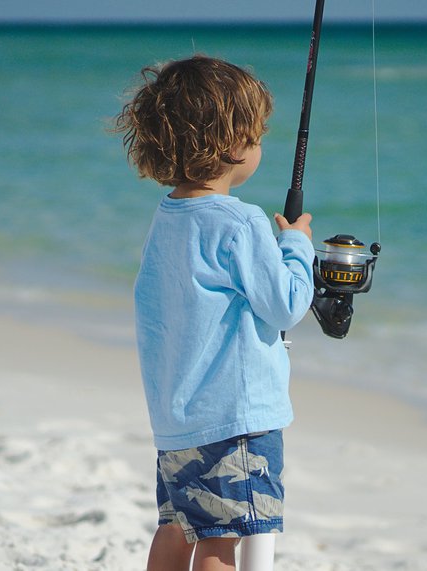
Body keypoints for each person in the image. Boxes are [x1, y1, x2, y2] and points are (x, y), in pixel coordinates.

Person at [113, 56, 315, 571]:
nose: (261, 146)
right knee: (222, 539)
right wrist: (296, 246)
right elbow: (287, 304)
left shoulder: (169, 218)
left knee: (179, 527)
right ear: (232, 145)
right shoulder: (242, 222)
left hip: (178, 420)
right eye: (258, 134)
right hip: (236, 419)